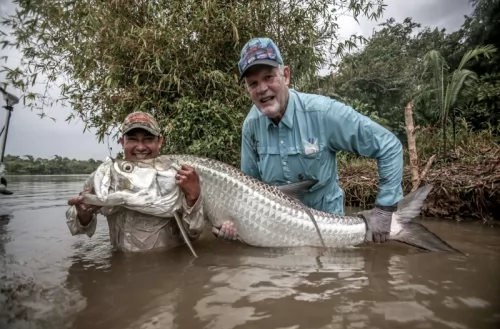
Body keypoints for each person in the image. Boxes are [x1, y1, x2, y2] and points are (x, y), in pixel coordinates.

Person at [212, 37, 404, 244]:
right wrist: (233, 226)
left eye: (269, 77)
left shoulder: (324, 113)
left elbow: (388, 146)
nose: (262, 88)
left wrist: (385, 210)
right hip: (278, 233)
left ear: (285, 76)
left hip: (333, 231)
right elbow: (249, 193)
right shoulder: (250, 127)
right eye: (253, 83)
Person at [66, 111, 205, 252]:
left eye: (148, 139)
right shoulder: (104, 176)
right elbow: (77, 229)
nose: (140, 147)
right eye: (132, 139)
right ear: (122, 142)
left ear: (160, 142)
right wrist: (84, 214)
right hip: (119, 266)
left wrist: (193, 197)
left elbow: (194, 234)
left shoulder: (179, 176)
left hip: (166, 266)